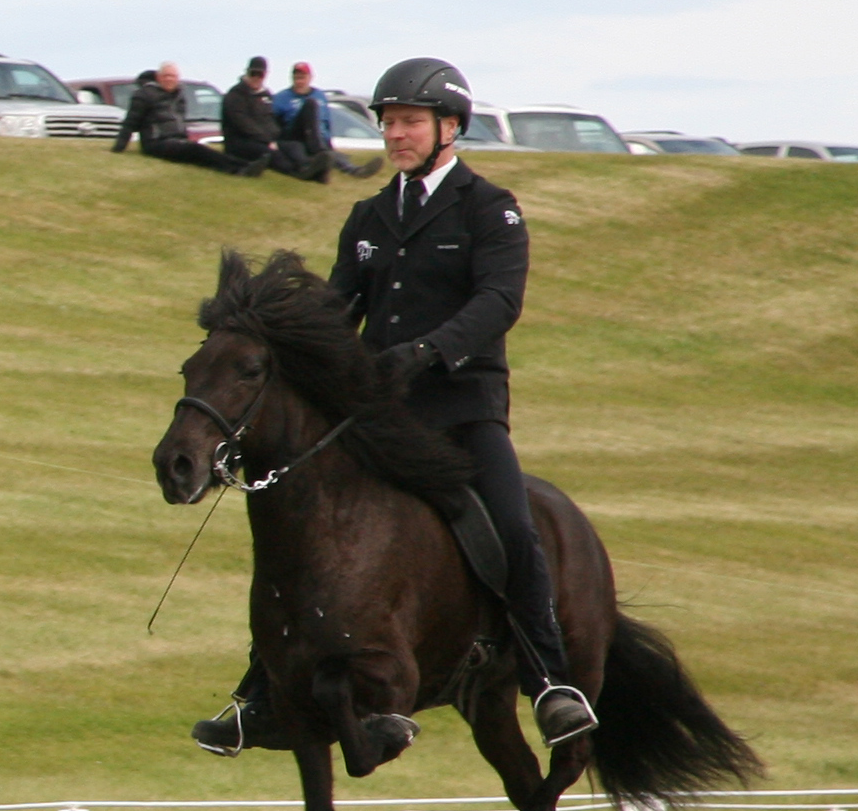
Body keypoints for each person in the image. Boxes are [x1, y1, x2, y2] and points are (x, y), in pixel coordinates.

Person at [190, 55, 598, 756]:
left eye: (409, 122)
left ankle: (550, 682)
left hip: (463, 410)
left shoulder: (489, 209)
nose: (395, 135)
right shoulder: (369, 215)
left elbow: (499, 301)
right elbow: (336, 311)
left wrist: (428, 350)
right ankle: (261, 692)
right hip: (382, 416)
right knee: (301, 528)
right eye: (388, 123)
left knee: (513, 528)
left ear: (449, 127)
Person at [113, 63, 259, 176]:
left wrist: (184, 139)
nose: (169, 79)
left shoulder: (179, 95)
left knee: (199, 152)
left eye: (173, 76)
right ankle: (239, 169)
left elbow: (180, 121)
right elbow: (130, 122)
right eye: (166, 76)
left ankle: (244, 166)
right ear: (158, 77)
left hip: (177, 140)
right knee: (196, 150)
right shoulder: (144, 95)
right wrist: (119, 147)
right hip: (156, 142)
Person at [221, 56, 328, 182]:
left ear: (265, 75)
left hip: (264, 139)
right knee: (271, 153)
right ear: (247, 72)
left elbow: (269, 121)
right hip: (241, 142)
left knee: (293, 146)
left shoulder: (265, 96)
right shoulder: (235, 96)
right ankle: (296, 172)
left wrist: (275, 138)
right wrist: (267, 141)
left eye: (260, 74)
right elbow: (243, 124)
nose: (256, 78)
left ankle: (309, 166)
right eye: (253, 73)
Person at [270, 62, 379, 180]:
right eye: (297, 78)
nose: (300, 81)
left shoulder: (319, 95)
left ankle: (355, 170)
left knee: (328, 152)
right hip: (294, 136)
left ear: (310, 78)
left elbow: (326, 122)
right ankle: (319, 154)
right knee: (310, 105)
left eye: (302, 78)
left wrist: (328, 142)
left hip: (317, 137)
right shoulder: (282, 98)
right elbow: (271, 121)